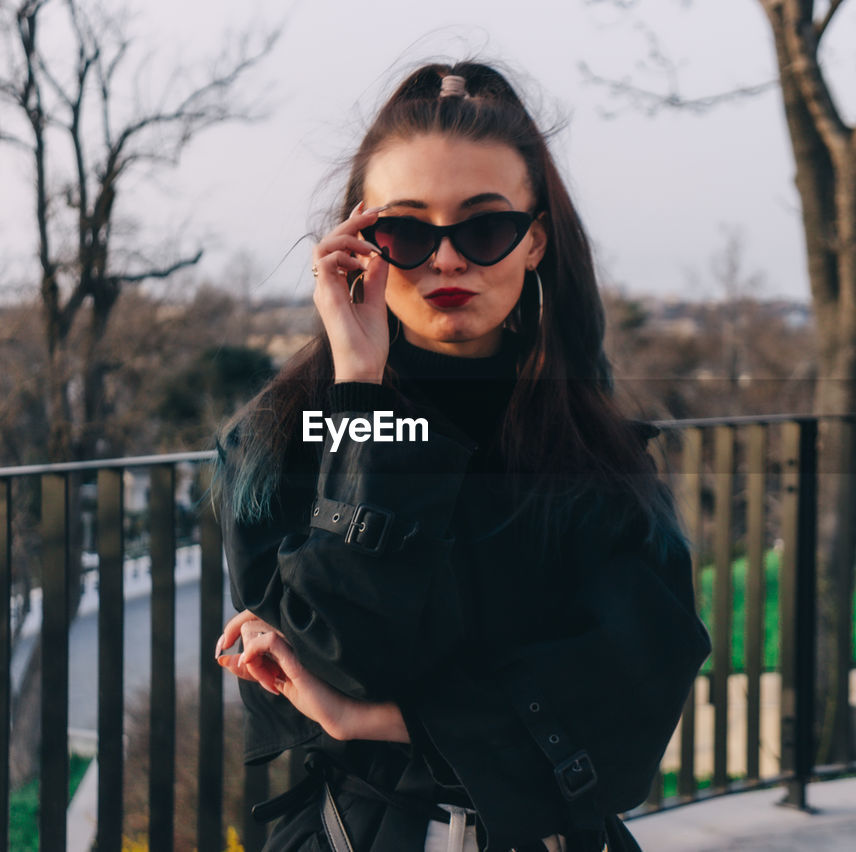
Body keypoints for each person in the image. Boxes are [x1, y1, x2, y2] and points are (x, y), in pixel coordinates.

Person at [211, 60, 711, 852]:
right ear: (359, 247)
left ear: (535, 240)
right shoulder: (277, 439)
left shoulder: (595, 450)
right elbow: (319, 670)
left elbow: (632, 699)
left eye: (483, 228)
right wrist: (361, 399)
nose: (446, 260)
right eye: (405, 231)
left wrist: (379, 721)